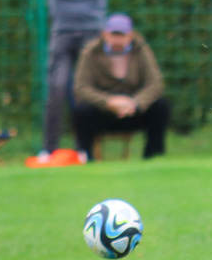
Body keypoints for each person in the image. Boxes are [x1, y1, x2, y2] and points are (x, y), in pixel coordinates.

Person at [39, 0, 118, 161]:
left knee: (86, 92)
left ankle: (84, 149)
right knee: (57, 89)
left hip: (93, 32)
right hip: (63, 31)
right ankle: (48, 150)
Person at [73, 14, 171, 161]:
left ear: (130, 35)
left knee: (161, 107)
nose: (117, 40)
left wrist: (135, 103)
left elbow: (155, 84)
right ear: (105, 34)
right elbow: (81, 87)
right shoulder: (90, 52)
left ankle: (153, 157)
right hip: (103, 112)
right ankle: (85, 157)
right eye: (114, 35)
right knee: (81, 111)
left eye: (122, 35)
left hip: (133, 111)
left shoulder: (141, 50)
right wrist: (108, 102)